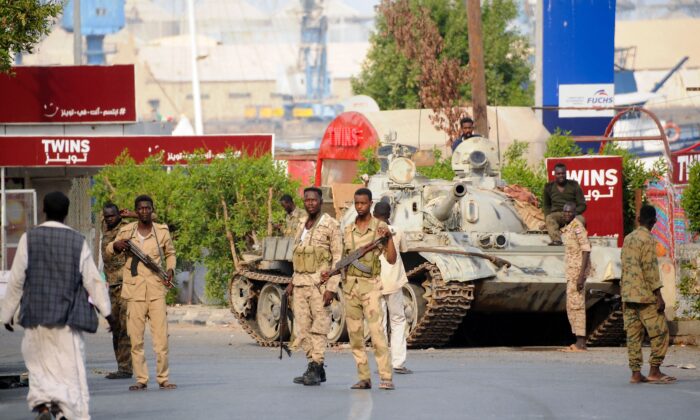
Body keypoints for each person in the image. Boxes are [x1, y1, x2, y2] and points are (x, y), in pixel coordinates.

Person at [1, 191, 112, 420]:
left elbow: (16, 279)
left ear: (43, 209)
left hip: (35, 315)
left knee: (38, 364)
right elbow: (92, 280)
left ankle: (42, 405)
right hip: (66, 319)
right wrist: (108, 312)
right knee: (67, 368)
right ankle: (63, 410)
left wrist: (6, 313)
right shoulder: (77, 241)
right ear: (67, 212)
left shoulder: (28, 238)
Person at [106, 195, 177, 391]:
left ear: (152, 210)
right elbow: (108, 249)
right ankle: (141, 379)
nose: (144, 211)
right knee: (136, 340)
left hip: (156, 290)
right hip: (135, 291)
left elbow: (170, 253)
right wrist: (116, 246)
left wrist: (170, 270)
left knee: (161, 339)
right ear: (136, 211)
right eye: (141, 209)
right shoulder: (126, 231)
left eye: (148, 208)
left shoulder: (161, 231)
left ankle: (163, 378)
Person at [285, 187, 342, 386]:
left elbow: (338, 258)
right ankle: (312, 365)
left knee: (319, 328)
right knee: (302, 328)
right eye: (307, 200)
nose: (310, 203)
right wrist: (292, 281)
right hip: (300, 283)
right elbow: (299, 254)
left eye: (314, 200)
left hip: (319, 285)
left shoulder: (330, 224)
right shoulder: (302, 224)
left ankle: (317, 365)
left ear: (321, 201)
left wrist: (332, 288)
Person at [342, 188, 396, 390]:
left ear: (370, 203)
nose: (359, 207)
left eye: (363, 203)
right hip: (350, 287)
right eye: (356, 203)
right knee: (355, 336)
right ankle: (364, 377)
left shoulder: (379, 228)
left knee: (377, 334)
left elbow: (391, 259)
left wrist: (389, 238)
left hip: (370, 287)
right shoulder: (348, 230)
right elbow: (342, 259)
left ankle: (386, 376)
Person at [621, 205, 676, 384]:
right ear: (653, 221)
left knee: (633, 335)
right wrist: (659, 296)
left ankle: (635, 373)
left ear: (638, 220)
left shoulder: (628, 238)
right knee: (660, 332)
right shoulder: (648, 240)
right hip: (645, 296)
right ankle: (654, 371)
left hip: (628, 295)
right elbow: (650, 270)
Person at [373, 201, 412, 374]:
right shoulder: (398, 231)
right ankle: (398, 363)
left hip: (374, 282)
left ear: (374, 214)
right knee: (397, 321)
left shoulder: (368, 232)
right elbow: (404, 249)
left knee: (379, 324)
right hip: (393, 281)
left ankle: (382, 363)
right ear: (389, 214)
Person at [101, 203, 133, 379]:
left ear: (119, 215)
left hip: (125, 285)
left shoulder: (127, 227)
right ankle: (121, 366)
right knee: (116, 327)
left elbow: (153, 218)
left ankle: (126, 368)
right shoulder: (105, 225)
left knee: (125, 328)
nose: (109, 219)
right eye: (106, 216)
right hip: (111, 286)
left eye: (112, 216)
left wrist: (133, 214)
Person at [559, 202, 591, 352]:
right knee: (572, 306)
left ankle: (580, 342)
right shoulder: (567, 228)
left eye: (569, 212)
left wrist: (581, 276)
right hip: (571, 273)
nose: (567, 214)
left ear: (574, 213)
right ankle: (579, 341)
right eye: (565, 212)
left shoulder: (577, 227)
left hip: (577, 273)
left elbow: (586, 250)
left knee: (577, 306)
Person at [543, 163, 586, 245]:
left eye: (563, 173)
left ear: (566, 173)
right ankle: (557, 240)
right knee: (549, 218)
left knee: (581, 220)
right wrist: (546, 219)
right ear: (554, 174)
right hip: (557, 214)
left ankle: (574, 240)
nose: (561, 176)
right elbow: (546, 205)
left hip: (573, 214)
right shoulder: (548, 187)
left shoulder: (574, 185)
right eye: (558, 174)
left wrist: (573, 213)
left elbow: (582, 204)